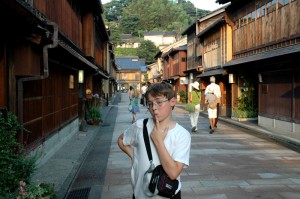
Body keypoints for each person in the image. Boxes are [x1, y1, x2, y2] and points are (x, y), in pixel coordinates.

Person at [118, 82, 191, 199]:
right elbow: (121, 140)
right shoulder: (140, 126)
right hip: (140, 194)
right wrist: (134, 156)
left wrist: (158, 141)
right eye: (150, 103)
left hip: (168, 194)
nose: (154, 108)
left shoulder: (182, 134)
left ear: (172, 101)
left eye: (159, 102)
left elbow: (173, 173)